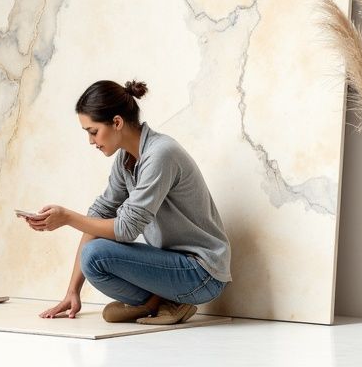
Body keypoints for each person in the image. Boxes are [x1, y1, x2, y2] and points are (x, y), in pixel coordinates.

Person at [24, 79, 231, 325]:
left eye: (93, 131)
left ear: (117, 122)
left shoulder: (161, 154)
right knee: (92, 261)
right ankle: (158, 303)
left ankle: (165, 302)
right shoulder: (126, 159)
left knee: (94, 255)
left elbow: (126, 229)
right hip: (172, 267)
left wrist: (67, 218)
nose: (91, 141)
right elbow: (99, 214)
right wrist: (72, 291)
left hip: (202, 274)